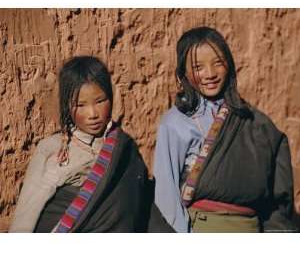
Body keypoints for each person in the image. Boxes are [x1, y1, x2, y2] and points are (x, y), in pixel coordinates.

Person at [153, 27, 297, 233]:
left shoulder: (256, 123)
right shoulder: (175, 123)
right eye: (198, 67)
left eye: (218, 63)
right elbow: (166, 197)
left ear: (229, 65)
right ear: (183, 73)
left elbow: (279, 199)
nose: (210, 74)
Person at [9, 56, 153, 233]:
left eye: (100, 101)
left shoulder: (124, 148)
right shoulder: (50, 149)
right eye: (80, 105)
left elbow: (138, 205)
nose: (92, 113)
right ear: (66, 106)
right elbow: (28, 211)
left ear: (111, 97)